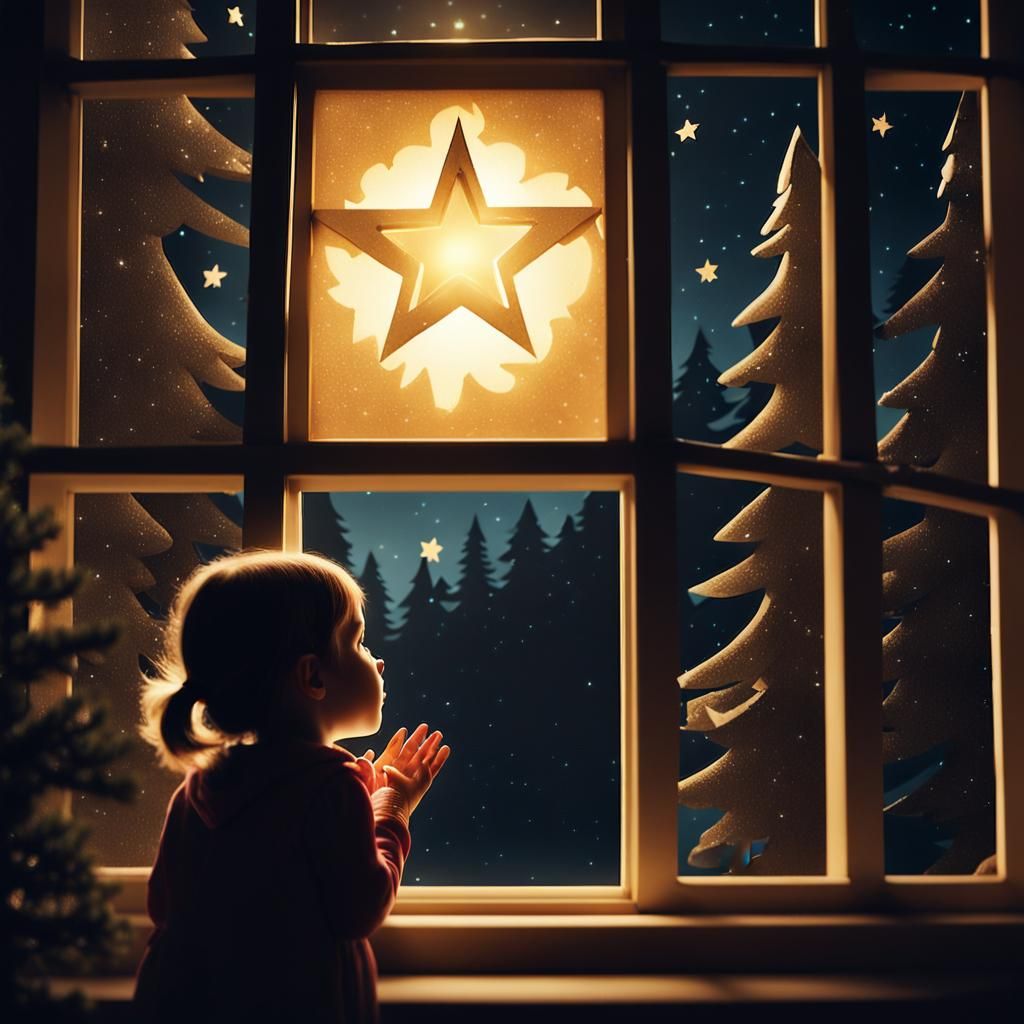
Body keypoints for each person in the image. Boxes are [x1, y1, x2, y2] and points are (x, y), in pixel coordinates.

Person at [131, 550, 450, 1023]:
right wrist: (392, 808)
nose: (377, 662)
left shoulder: (200, 787)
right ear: (314, 676)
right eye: (359, 642)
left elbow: (163, 903)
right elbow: (360, 907)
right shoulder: (331, 789)